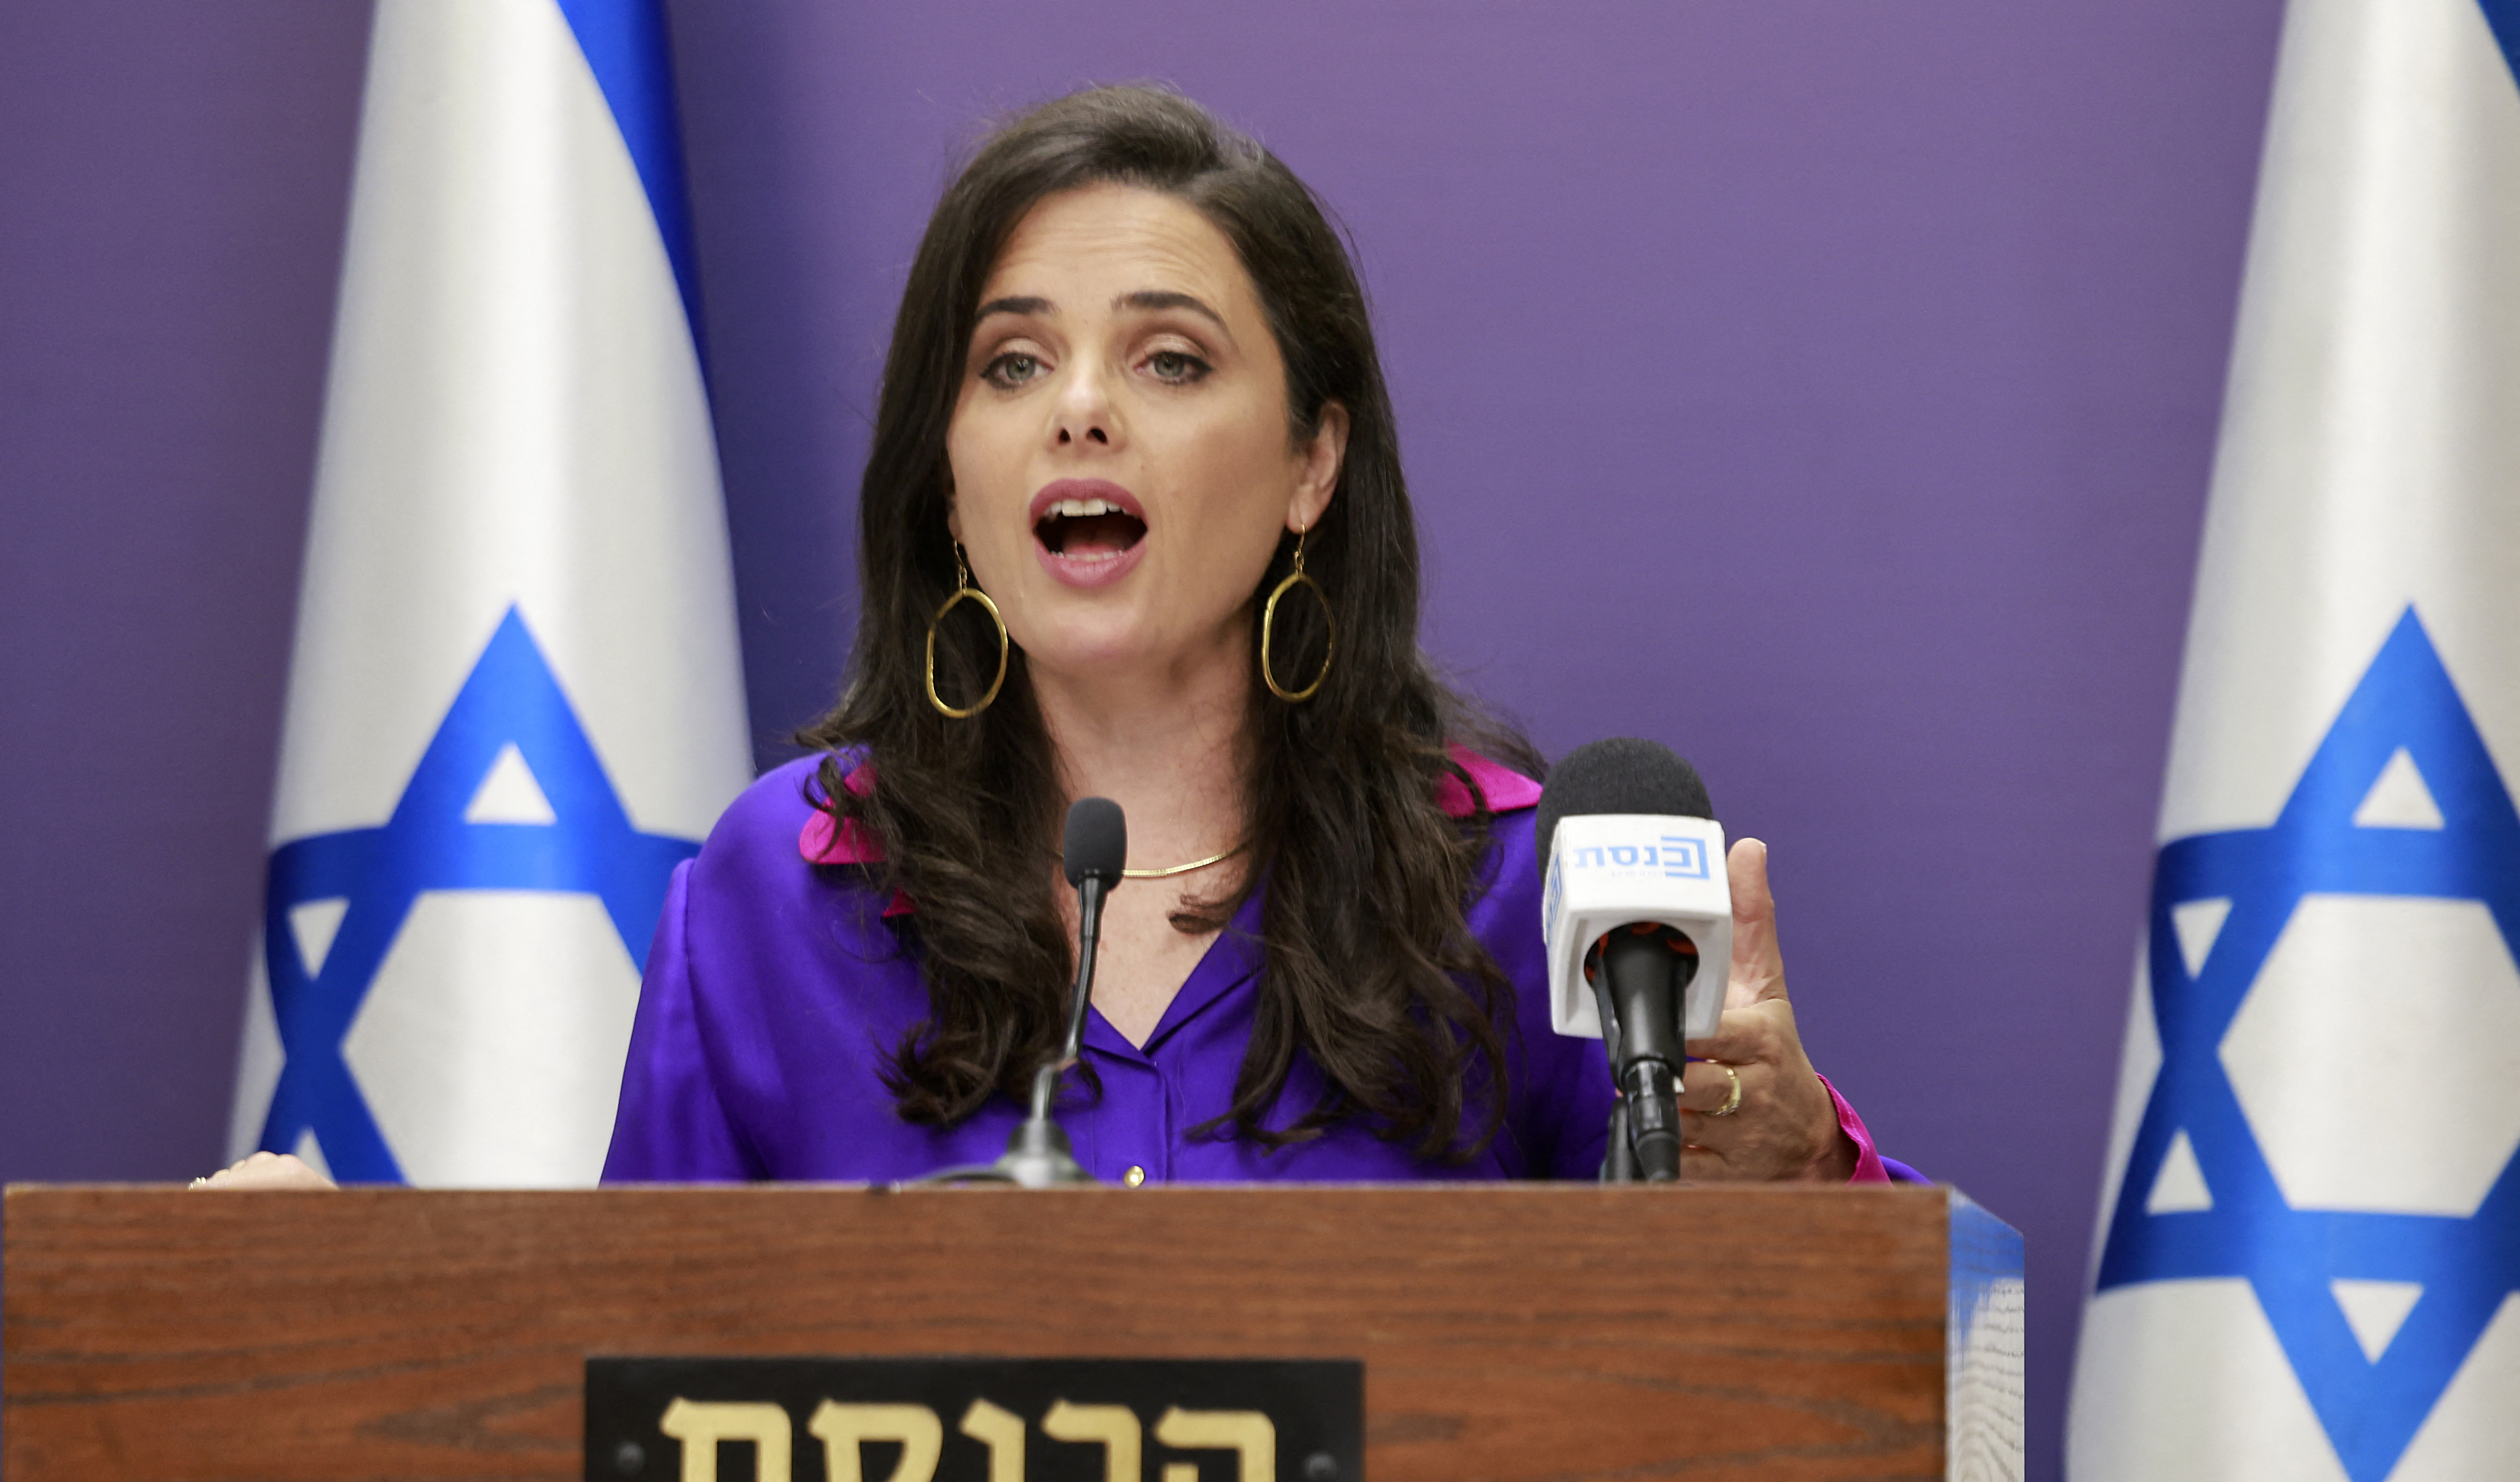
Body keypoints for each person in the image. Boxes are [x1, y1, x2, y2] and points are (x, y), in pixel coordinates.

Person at [205, 86, 1918, 1193]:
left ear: (1315, 461)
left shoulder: (1515, 892)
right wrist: (351, 1301)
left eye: (1169, 361)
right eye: (1012, 365)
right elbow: (631, 1407)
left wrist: (1792, 1174)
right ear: (949, 481)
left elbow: (1823, 1414)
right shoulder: (778, 890)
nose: (1079, 411)